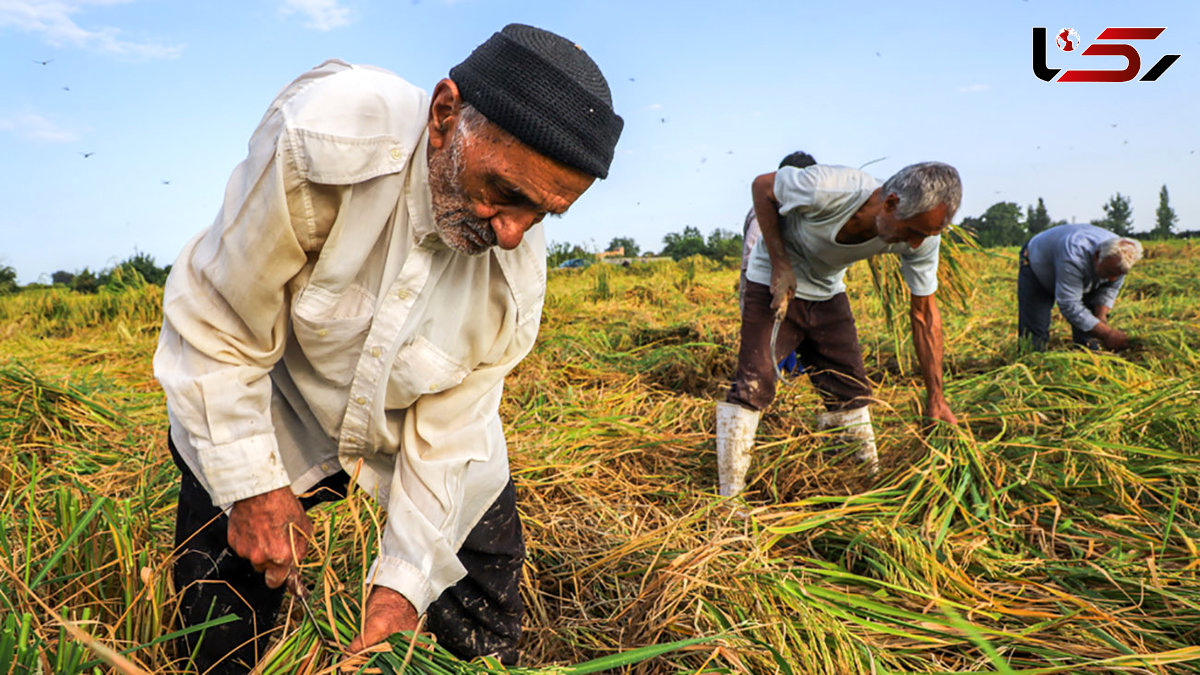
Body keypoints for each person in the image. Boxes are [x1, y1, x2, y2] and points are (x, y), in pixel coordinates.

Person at [153, 24, 622, 673]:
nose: (514, 233)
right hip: (276, 401)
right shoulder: (326, 141)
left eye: (543, 214)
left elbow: (450, 437)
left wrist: (399, 591)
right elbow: (217, 319)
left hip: (413, 422)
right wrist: (254, 487)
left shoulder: (512, 286)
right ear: (444, 115)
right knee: (221, 600)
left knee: (481, 595)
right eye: (506, 193)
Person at [716, 162, 962, 498]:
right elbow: (763, 187)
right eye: (913, 232)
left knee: (851, 388)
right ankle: (729, 500)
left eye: (927, 235)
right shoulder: (830, 188)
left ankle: (861, 482)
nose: (917, 245)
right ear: (890, 204)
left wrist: (936, 398)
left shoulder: (924, 239)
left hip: (827, 289)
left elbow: (925, 315)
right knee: (755, 381)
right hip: (773, 279)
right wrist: (781, 263)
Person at [739, 152, 817, 378]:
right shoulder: (763, 212)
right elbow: (751, 257)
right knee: (764, 341)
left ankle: (789, 372)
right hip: (764, 284)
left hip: (789, 282)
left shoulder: (801, 211)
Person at [1017, 224, 1143, 352]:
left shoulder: (1122, 257)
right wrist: (1107, 334)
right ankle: (1032, 361)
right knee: (1035, 327)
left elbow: (1109, 288)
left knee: (1090, 326)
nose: (1112, 279)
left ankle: (1089, 356)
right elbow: (1069, 305)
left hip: (1081, 269)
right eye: (1109, 272)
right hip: (1037, 263)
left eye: (1118, 275)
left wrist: (1101, 317)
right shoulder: (1074, 254)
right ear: (1097, 255)